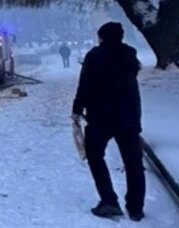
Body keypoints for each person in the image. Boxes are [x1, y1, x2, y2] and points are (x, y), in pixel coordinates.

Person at [72, 22, 145, 221]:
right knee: (133, 162)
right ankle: (136, 207)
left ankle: (109, 201)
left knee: (95, 156)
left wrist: (77, 109)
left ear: (102, 37)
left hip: (101, 117)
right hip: (129, 117)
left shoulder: (94, 56)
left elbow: (85, 85)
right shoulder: (130, 55)